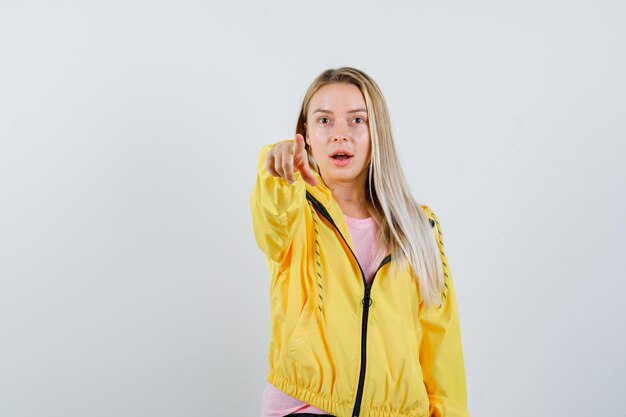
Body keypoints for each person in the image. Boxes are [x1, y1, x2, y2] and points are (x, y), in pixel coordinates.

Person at [250, 67, 469, 417]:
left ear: (376, 131)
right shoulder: (295, 210)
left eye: (356, 120)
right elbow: (270, 223)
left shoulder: (419, 226)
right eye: (324, 120)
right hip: (305, 406)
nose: (340, 135)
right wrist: (277, 174)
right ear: (303, 133)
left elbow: (440, 344)